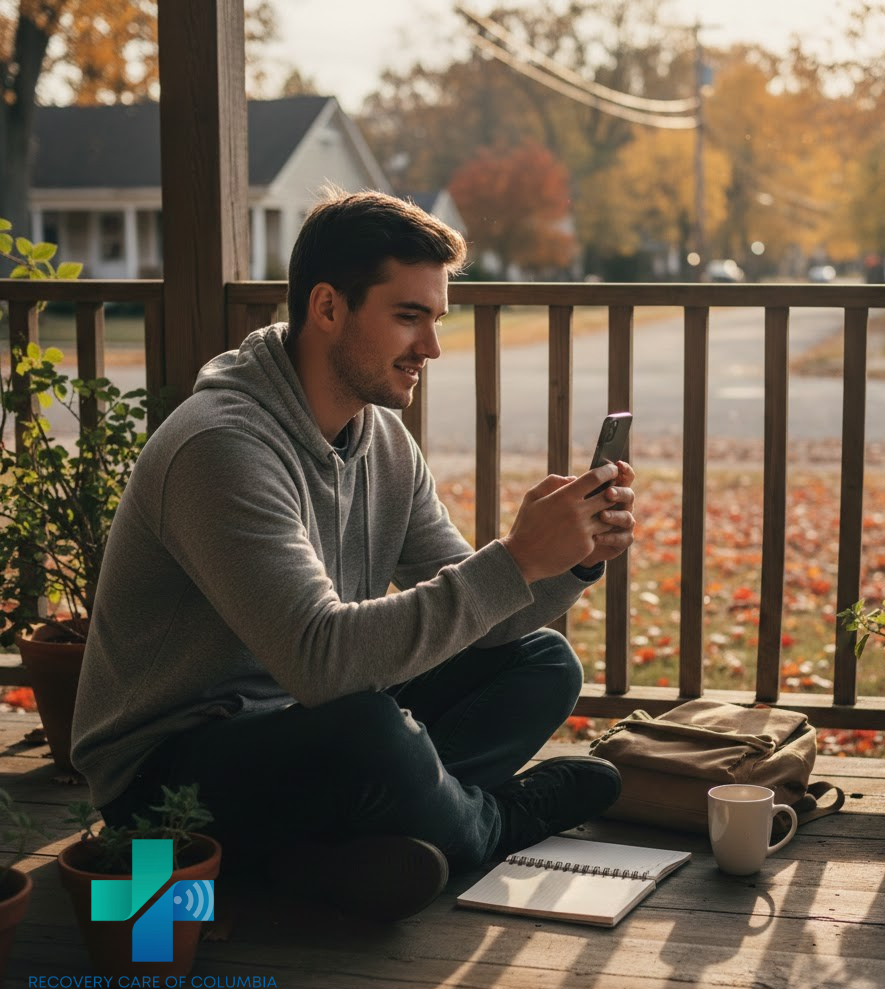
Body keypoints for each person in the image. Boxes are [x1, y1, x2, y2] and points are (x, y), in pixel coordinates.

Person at [71, 188, 636, 921]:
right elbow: (322, 661)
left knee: (541, 661)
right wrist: (515, 558)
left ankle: (326, 850)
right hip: (168, 773)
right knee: (369, 730)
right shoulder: (222, 447)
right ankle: (496, 823)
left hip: (303, 721)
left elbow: (481, 617)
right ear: (328, 307)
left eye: (436, 320)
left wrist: (569, 560)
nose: (430, 348)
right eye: (408, 317)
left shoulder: (380, 440)